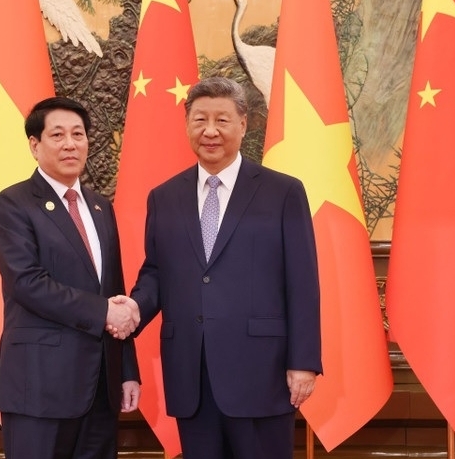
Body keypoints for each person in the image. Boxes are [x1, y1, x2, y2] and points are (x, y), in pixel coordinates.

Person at [123, 76, 322, 458]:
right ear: (187, 126)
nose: (210, 131)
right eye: (199, 120)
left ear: (243, 124)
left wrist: (304, 362)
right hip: (191, 374)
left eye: (222, 120)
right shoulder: (164, 197)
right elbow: (156, 272)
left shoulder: (283, 192)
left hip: (262, 372)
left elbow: (303, 282)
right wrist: (134, 308)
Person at [0, 96, 141, 459]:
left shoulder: (102, 207)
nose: (71, 144)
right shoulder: (13, 204)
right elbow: (27, 282)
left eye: (78, 134)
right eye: (58, 135)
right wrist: (103, 312)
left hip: (101, 385)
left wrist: (127, 370)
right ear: (34, 145)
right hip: (39, 385)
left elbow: (114, 293)